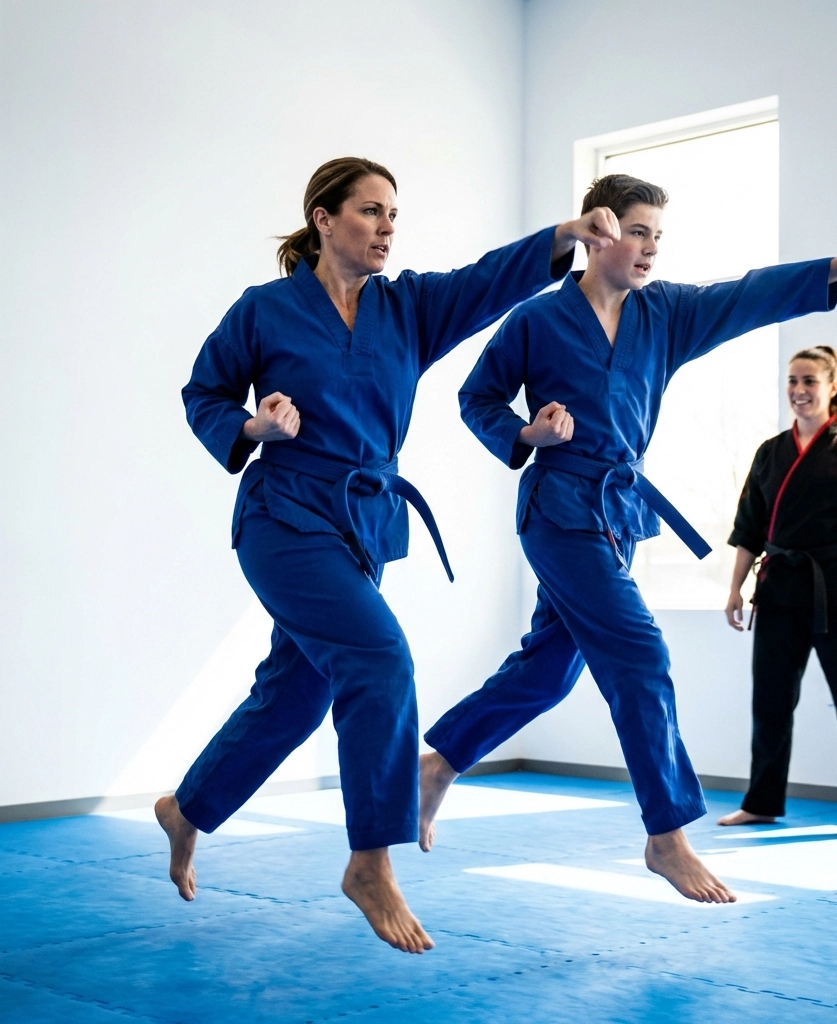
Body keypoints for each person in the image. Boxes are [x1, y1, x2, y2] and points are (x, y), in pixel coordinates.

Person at [154, 157, 620, 954]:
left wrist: (564, 236)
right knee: (379, 657)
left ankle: (187, 807)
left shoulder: (408, 309)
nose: (386, 227)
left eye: (394, 215)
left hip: (360, 527)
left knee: (295, 696)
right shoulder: (264, 310)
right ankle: (370, 860)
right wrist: (254, 428)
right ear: (324, 220)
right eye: (371, 212)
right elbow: (204, 393)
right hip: (282, 517)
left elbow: (483, 281)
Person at [418, 173, 837, 905]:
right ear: (599, 231)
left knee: (549, 670)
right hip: (557, 507)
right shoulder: (536, 322)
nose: (648, 249)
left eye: (657, 237)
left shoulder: (664, 314)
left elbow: (744, 294)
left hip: (618, 518)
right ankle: (666, 835)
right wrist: (524, 431)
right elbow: (474, 396)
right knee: (641, 649)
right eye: (637, 231)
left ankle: (438, 763)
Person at [718, 345, 837, 840]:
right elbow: (748, 529)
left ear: (832, 386)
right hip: (778, 588)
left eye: (809, 382)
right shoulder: (771, 451)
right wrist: (735, 588)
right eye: (793, 381)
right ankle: (761, 802)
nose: (799, 391)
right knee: (770, 702)